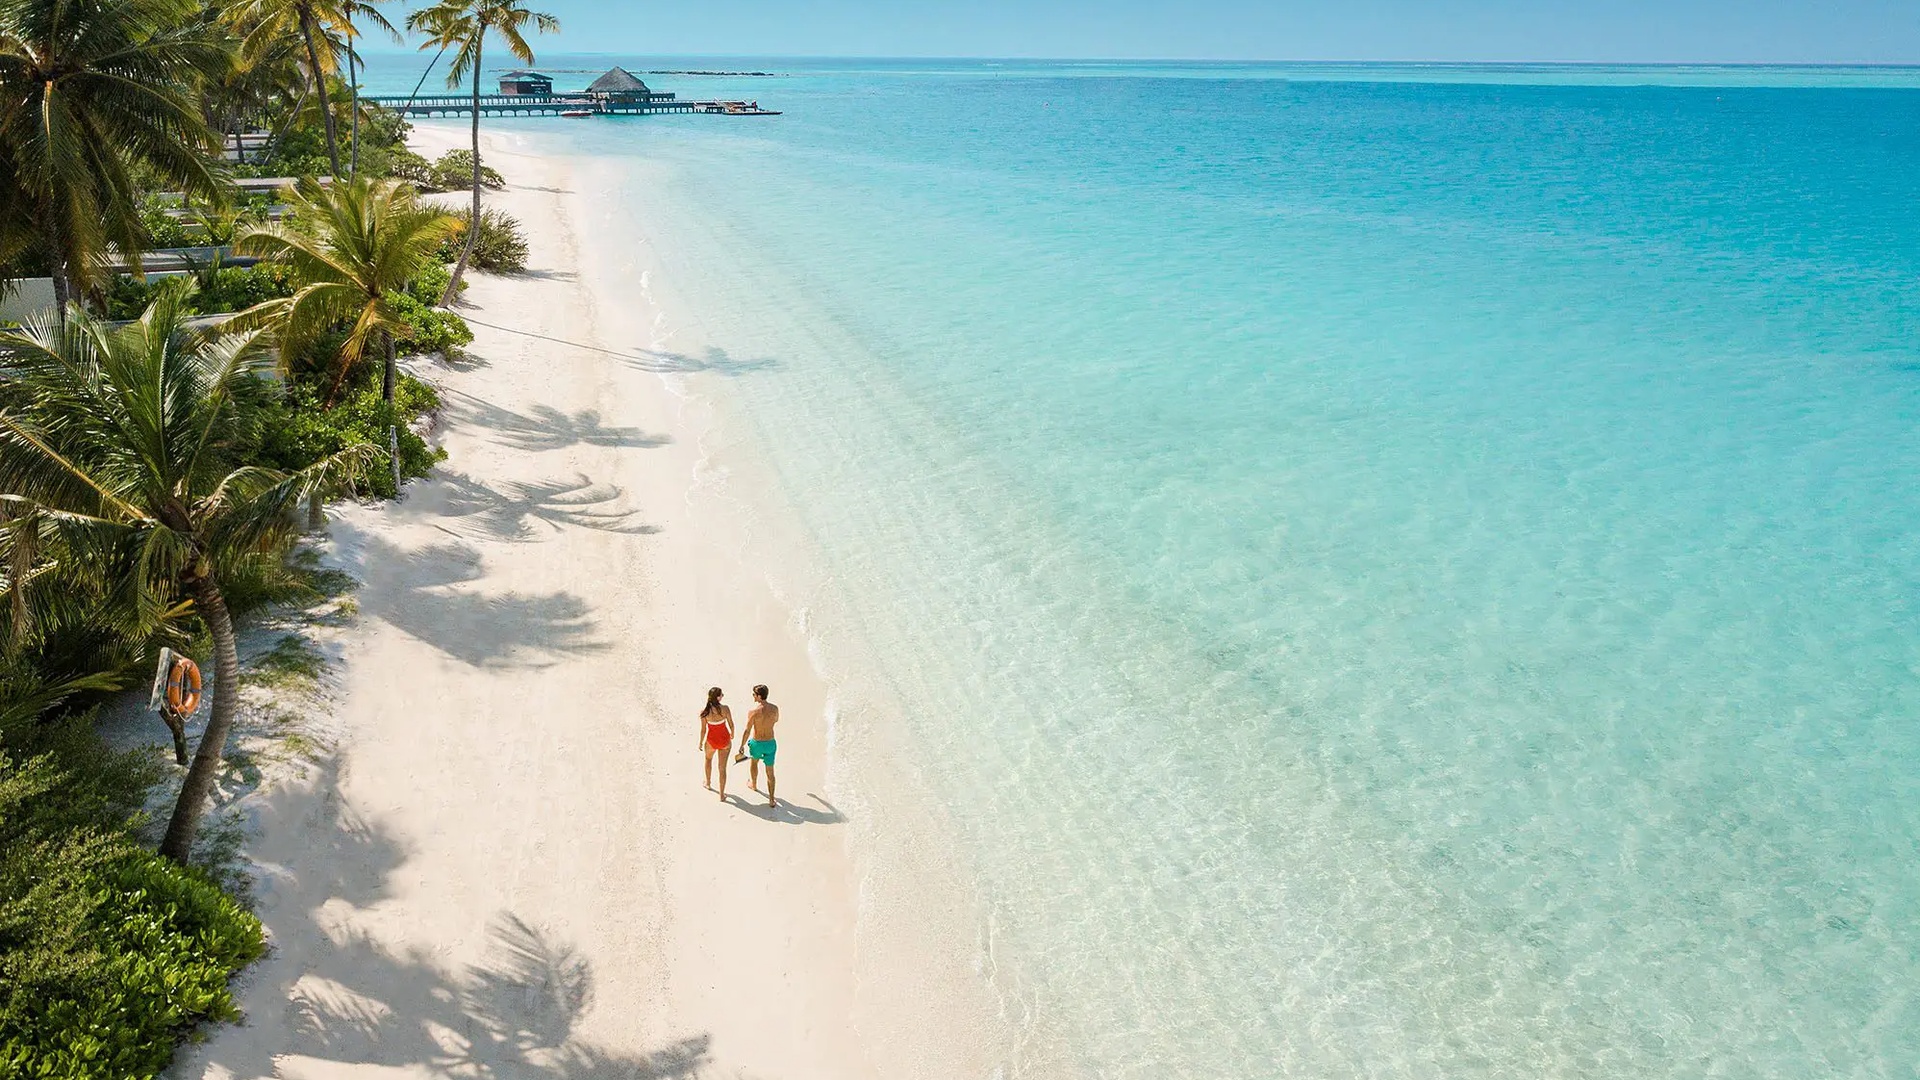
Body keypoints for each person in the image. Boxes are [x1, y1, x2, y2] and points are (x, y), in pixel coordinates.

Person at [736, 684, 779, 808]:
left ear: (759, 696)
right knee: (770, 771)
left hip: (757, 743)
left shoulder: (753, 712)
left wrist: (742, 744)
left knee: (754, 763)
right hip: (770, 743)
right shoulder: (775, 709)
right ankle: (771, 799)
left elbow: (747, 730)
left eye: (754, 694)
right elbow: (776, 720)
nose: (753, 696)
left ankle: (754, 785)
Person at [698, 687, 733, 801]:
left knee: (708, 760)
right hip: (724, 741)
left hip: (711, 741)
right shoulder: (725, 709)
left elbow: (703, 730)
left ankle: (708, 783)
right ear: (718, 697)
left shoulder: (704, 712)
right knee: (722, 768)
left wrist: (700, 742)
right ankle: (722, 795)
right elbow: (731, 724)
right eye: (722, 694)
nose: (723, 696)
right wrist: (732, 734)